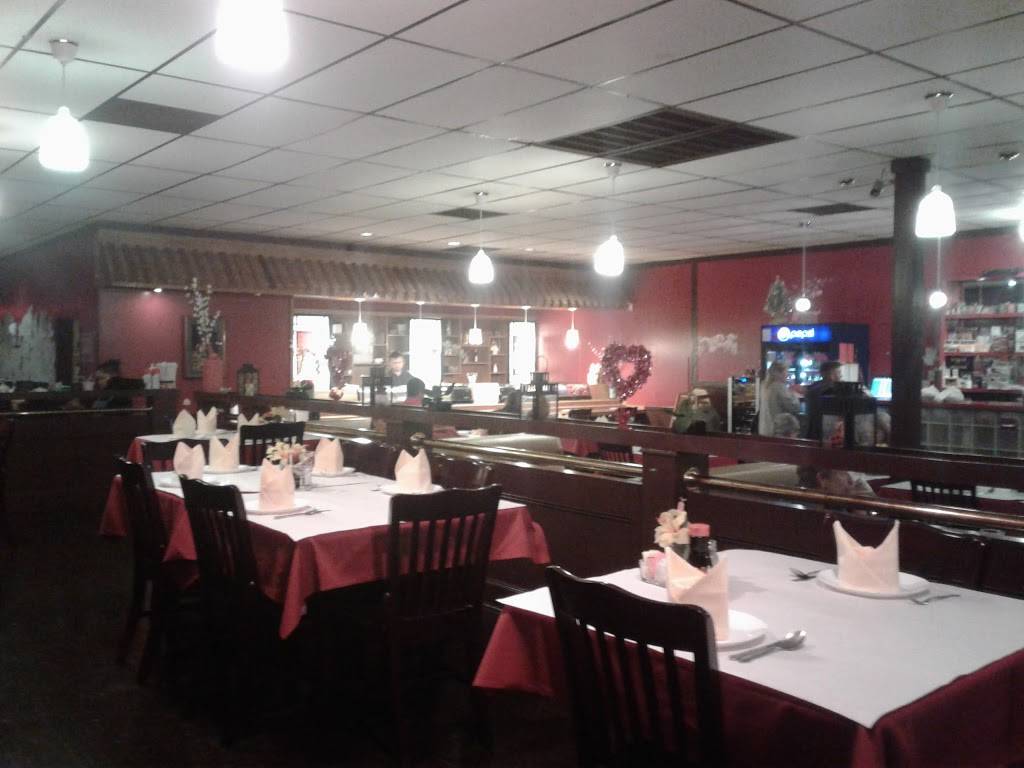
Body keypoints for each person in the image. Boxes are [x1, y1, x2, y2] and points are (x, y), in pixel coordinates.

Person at [757, 361, 800, 437]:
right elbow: (794, 407)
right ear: (779, 373)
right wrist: (793, 394)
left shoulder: (764, 386)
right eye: (786, 372)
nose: (787, 375)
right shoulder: (779, 387)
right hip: (778, 430)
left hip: (764, 429)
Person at [803, 360, 842, 441]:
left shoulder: (813, 388)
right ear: (827, 374)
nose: (840, 376)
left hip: (811, 432)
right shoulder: (830, 390)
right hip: (825, 434)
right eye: (837, 372)